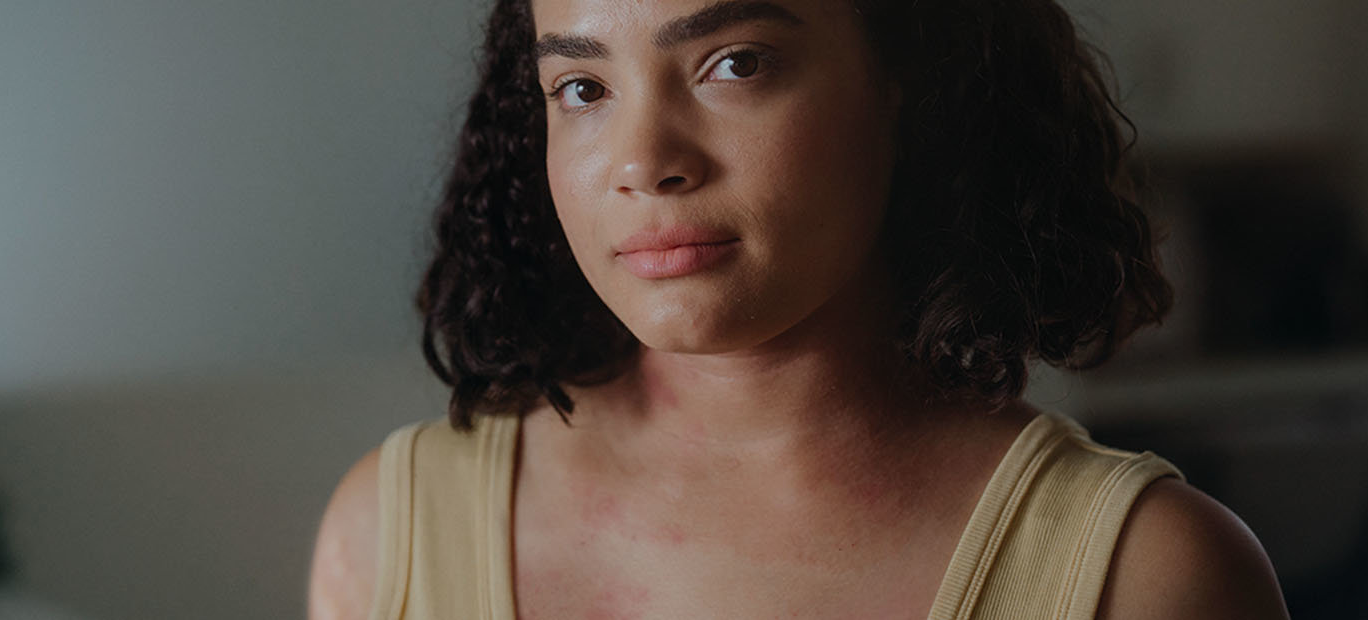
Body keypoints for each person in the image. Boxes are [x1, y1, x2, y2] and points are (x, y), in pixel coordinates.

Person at [311, 0, 1290, 617]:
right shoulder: (390, 533)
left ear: (905, 85)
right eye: (582, 87)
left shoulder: (1150, 577)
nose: (645, 159)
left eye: (734, 62)